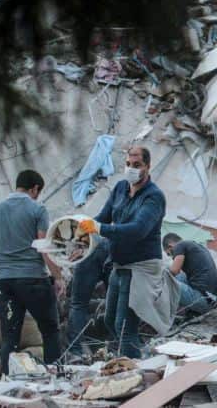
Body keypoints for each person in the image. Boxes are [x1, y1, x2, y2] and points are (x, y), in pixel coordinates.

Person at [81, 147, 173, 359]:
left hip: (140, 267)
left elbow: (138, 230)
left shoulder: (154, 197)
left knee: (124, 326)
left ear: (148, 167)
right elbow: (103, 216)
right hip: (120, 265)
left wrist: (100, 229)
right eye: (129, 165)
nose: (131, 169)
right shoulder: (121, 188)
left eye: (137, 165)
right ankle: (138, 354)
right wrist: (83, 230)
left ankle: (134, 366)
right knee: (110, 320)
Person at [0, 170, 63, 371]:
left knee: (10, 337)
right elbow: (44, 247)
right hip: (33, 280)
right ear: (34, 189)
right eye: (38, 192)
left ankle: (8, 382)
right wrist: (58, 276)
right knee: (50, 331)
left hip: (4, 282)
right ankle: (54, 378)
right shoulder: (38, 210)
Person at [66, 238, 111, 352]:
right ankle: (116, 350)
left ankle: (75, 352)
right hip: (110, 244)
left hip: (90, 244)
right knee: (115, 302)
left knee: (78, 305)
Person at [162, 234, 217, 316]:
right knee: (179, 277)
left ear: (170, 246)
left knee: (165, 281)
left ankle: (163, 315)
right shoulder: (196, 246)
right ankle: (179, 310)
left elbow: (174, 271)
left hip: (203, 300)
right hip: (211, 300)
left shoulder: (179, 245)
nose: (172, 257)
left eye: (169, 254)